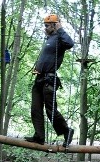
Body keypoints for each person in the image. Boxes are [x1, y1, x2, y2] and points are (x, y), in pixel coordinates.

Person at [25, 14, 75, 147]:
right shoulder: (50, 38)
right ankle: (39, 136)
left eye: (47, 25)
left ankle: (67, 131)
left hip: (49, 79)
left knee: (50, 110)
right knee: (35, 109)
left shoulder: (60, 37)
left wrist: (60, 29)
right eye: (45, 25)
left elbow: (70, 44)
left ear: (54, 25)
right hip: (39, 78)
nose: (45, 28)